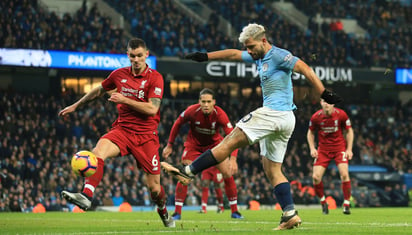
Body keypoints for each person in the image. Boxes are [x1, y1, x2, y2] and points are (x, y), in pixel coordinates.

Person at [161, 23, 342, 230]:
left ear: (263, 41)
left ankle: (188, 171)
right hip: (284, 120)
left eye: (251, 46)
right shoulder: (259, 55)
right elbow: (232, 55)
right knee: (272, 169)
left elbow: (305, 69)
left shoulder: (278, 55)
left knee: (228, 141)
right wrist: (206, 56)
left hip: (274, 113)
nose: (248, 51)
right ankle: (290, 213)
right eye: (247, 47)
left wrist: (323, 93)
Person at [58, 38, 175, 227]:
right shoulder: (119, 75)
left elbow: (152, 109)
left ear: (146, 54)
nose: (136, 59)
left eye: (139, 56)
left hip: (146, 137)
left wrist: (125, 99)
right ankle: (86, 195)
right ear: (127, 55)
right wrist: (76, 105)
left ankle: (163, 211)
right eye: (132, 56)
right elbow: (98, 90)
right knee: (98, 152)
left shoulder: (155, 78)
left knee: (154, 189)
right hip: (122, 130)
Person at [162, 88, 243, 220]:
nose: (206, 104)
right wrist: (169, 145)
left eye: (208, 102)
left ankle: (234, 211)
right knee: (184, 175)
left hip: (215, 147)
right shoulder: (192, 111)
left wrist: (233, 158)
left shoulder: (220, 114)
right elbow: (177, 123)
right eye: (203, 101)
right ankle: (177, 212)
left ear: (214, 102)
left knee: (227, 173)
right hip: (194, 147)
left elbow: (233, 136)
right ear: (199, 102)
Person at [307, 98, 353, 215]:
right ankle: (323, 203)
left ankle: (346, 203)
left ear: (333, 103)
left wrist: (349, 149)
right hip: (323, 150)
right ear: (321, 103)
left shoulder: (341, 114)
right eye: (324, 101)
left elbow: (349, 131)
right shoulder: (316, 117)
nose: (327, 104)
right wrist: (312, 148)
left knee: (344, 174)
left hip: (339, 148)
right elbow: (310, 132)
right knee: (316, 177)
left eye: (329, 102)